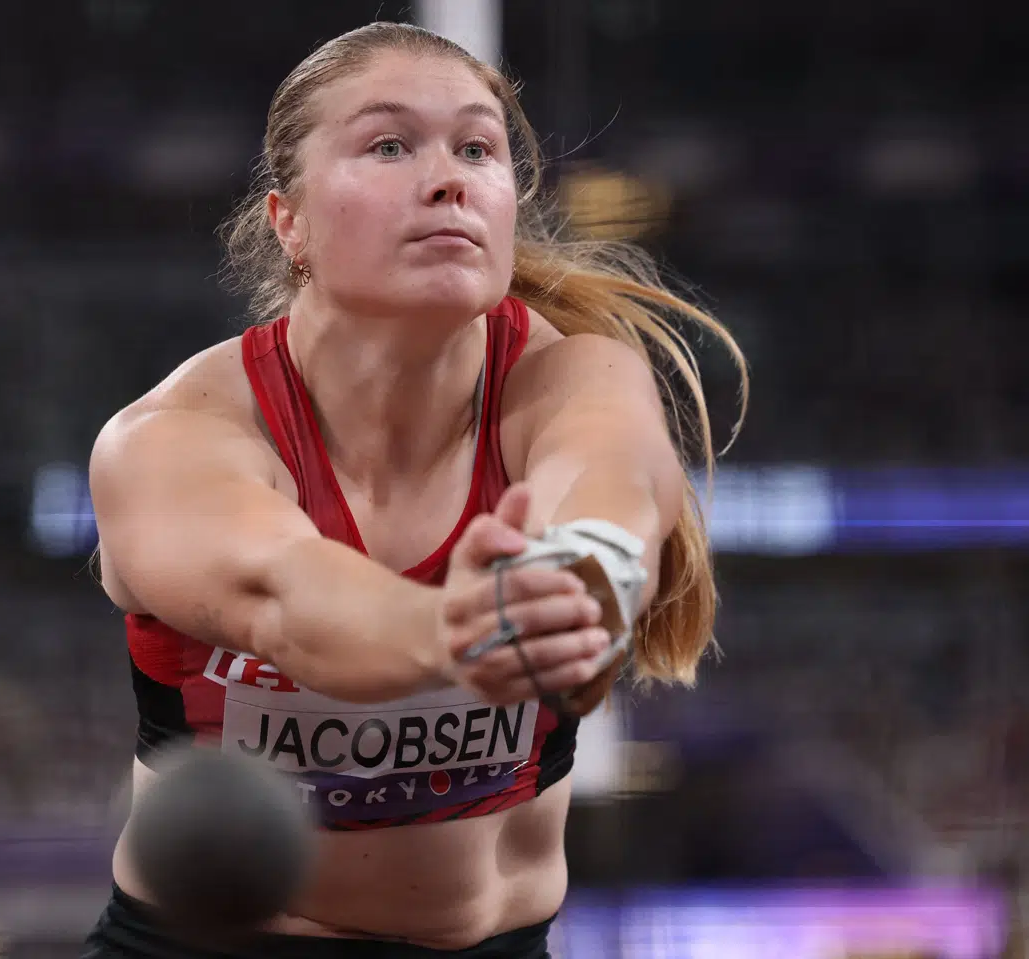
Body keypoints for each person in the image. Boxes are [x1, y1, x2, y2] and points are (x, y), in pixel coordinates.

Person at [82, 20, 746, 959]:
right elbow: (284, 595)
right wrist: (465, 628)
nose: (449, 178)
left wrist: (577, 585)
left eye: (478, 148)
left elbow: (607, 504)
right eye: (390, 145)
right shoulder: (172, 439)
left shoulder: (577, 379)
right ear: (290, 221)